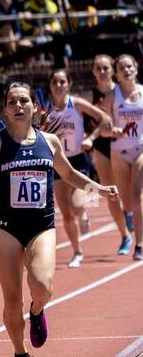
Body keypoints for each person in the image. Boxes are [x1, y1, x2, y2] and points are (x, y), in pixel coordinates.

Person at [0, 82, 119, 357]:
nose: (18, 106)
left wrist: (99, 188)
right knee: (11, 299)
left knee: (42, 286)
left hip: (41, 224)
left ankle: (37, 311)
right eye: (12, 102)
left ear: (35, 107)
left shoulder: (49, 142)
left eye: (24, 101)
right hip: (6, 227)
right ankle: (20, 354)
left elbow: (68, 174)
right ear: (5, 110)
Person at [43, 69, 112, 267]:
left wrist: (90, 138)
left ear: (69, 84)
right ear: (50, 85)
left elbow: (105, 119)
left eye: (62, 81)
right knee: (65, 213)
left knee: (78, 206)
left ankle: (84, 214)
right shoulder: (44, 108)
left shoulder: (77, 104)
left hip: (79, 159)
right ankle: (77, 252)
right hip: (57, 162)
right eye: (55, 82)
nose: (58, 85)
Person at [89, 54, 132, 255]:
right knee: (110, 193)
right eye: (98, 68)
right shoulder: (92, 95)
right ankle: (124, 235)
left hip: (126, 144)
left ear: (112, 71)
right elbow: (89, 122)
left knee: (130, 189)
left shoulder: (122, 90)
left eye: (106, 68)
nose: (103, 71)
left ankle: (130, 212)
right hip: (102, 147)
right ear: (93, 72)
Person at [109, 54, 143, 262]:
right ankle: (129, 216)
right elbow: (102, 124)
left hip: (141, 148)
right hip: (119, 151)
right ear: (117, 74)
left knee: (137, 194)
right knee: (127, 201)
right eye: (122, 68)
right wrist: (111, 129)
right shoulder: (112, 96)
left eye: (129, 66)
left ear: (136, 69)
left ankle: (139, 244)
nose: (127, 70)